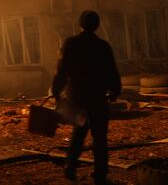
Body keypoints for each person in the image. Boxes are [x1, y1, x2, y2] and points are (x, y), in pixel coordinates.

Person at [52, 10, 121, 185]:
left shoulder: (71, 43)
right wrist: (115, 91)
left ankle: (70, 167)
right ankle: (100, 173)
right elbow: (112, 71)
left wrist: (56, 93)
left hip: (78, 97)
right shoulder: (103, 46)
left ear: (80, 24)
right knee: (100, 137)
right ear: (96, 25)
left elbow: (61, 71)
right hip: (97, 98)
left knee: (78, 133)